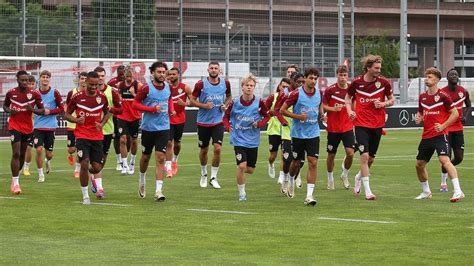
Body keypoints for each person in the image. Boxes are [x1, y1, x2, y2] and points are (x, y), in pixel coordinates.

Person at [344, 54, 395, 200]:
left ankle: (359, 177)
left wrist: (383, 104)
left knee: (371, 159)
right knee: (364, 156)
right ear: (368, 68)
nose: (379, 70)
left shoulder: (384, 83)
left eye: (380, 67)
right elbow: (347, 99)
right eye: (376, 68)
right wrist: (349, 111)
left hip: (377, 125)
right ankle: (368, 192)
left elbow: (392, 100)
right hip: (360, 124)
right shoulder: (357, 83)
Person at [414, 67, 464, 202]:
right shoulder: (422, 97)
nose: (426, 79)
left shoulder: (443, 96)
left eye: (429, 77)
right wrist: (419, 118)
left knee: (444, 160)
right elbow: (421, 112)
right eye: (426, 77)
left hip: (440, 135)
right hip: (426, 136)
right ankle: (426, 191)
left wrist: (443, 126)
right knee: (419, 164)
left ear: (437, 80)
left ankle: (458, 191)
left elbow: (455, 113)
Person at [65, 71, 111, 204]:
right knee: (84, 163)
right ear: (85, 83)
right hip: (82, 135)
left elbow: (107, 113)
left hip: (97, 136)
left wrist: (102, 124)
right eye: (91, 84)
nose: (93, 87)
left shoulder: (102, 97)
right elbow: (66, 114)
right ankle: (85, 195)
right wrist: (76, 120)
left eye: (96, 85)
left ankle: (92, 177)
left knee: (97, 168)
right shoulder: (77, 97)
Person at [280, 67, 323, 206]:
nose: (313, 81)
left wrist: (322, 114)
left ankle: (309, 195)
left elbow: (319, 107)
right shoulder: (296, 94)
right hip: (298, 134)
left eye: (316, 78)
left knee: (313, 162)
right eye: (311, 78)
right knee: (296, 162)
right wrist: (298, 116)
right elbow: (282, 110)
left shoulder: (319, 93)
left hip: (314, 133)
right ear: (304, 78)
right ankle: (291, 180)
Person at [223, 74, 270, 201]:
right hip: (238, 139)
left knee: (250, 169)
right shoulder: (235, 102)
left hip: (253, 140)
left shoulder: (259, 102)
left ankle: (241, 169)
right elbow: (225, 117)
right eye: (247, 85)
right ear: (242, 87)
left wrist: (259, 124)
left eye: (251, 86)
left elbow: (267, 116)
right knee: (242, 166)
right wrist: (227, 127)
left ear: (254, 88)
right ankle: (242, 194)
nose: (249, 87)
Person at [133, 61, 175, 200]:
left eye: (164, 72)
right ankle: (142, 179)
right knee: (145, 157)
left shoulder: (168, 87)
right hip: (148, 128)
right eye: (159, 72)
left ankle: (158, 191)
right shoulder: (146, 88)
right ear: (152, 73)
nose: (162, 74)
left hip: (164, 127)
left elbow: (169, 99)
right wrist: (151, 109)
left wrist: (171, 109)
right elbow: (135, 104)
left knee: (161, 158)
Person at [4, 70, 46, 194]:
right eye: (22, 80)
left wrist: (32, 109)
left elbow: (42, 110)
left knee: (22, 154)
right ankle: (16, 182)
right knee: (16, 153)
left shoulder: (34, 94)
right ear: (17, 80)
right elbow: (5, 106)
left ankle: (15, 177)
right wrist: (9, 111)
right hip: (14, 126)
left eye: (26, 80)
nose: (24, 82)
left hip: (27, 127)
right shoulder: (11, 93)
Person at [190, 62, 232, 189]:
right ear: (208, 69)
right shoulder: (201, 84)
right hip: (203, 122)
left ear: (220, 71)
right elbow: (192, 100)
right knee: (204, 150)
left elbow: (229, 96)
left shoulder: (226, 83)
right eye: (211, 68)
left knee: (218, 148)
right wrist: (204, 106)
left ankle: (213, 177)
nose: (213, 70)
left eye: (216, 68)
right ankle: (203, 173)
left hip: (218, 121)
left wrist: (225, 105)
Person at [90, 66, 122, 197]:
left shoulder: (112, 91)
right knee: (93, 159)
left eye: (103, 75)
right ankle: (100, 188)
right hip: (91, 130)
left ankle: (93, 176)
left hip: (107, 130)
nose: (101, 78)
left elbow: (120, 109)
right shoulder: (88, 91)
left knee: (101, 161)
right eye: (98, 75)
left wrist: (111, 110)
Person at [321, 65, 354, 190]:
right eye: (340, 75)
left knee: (350, 153)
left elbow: (354, 103)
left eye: (345, 75)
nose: (343, 78)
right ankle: (330, 178)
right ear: (337, 75)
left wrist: (354, 113)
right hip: (333, 128)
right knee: (331, 155)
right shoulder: (330, 90)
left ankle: (344, 174)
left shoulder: (351, 89)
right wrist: (332, 109)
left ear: (347, 76)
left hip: (347, 127)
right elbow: (323, 106)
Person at [439, 68, 471, 192]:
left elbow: (468, 105)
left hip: (458, 129)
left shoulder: (463, 91)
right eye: (452, 74)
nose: (454, 76)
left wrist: (465, 116)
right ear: (447, 78)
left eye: (456, 74)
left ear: (458, 78)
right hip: (446, 128)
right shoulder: (442, 93)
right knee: (446, 157)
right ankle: (443, 183)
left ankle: (447, 169)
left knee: (459, 158)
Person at [32, 70, 64, 182]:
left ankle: (47, 161)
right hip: (38, 126)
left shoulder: (55, 92)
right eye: (43, 77)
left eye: (47, 77)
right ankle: (40, 174)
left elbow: (61, 108)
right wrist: (37, 111)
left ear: (50, 79)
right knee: (39, 149)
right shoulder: (35, 93)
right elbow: (31, 107)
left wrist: (49, 112)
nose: (45, 79)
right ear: (40, 78)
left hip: (50, 127)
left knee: (49, 154)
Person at [165, 67, 193, 177]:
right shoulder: (166, 88)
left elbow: (194, 102)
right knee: (168, 143)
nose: (171, 76)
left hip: (180, 120)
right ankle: (168, 167)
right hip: (167, 119)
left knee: (177, 143)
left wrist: (184, 104)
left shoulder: (185, 88)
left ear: (178, 75)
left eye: (174, 74)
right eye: (170, 74)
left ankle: (174, 161)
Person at [116, 66, 142, 175]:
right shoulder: (120, 85)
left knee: (134, 140)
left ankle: (132, 162)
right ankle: (124, 165)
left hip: (134, 116)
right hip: (122, 116)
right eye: (127, 76)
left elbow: (142, 101)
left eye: (131, 76)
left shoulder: (138, 85)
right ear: (124, 75)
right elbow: (118, 98)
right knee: (122, 140)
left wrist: (133, 94)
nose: (129, 78)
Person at [265, 78, 291, 181]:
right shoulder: (273, 97)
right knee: (273, 154)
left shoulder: (291, 97)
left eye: (286, 87)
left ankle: (282, 175)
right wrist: (270, 113)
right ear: (279, 86)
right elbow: (264, 109)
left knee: (284, 153)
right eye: (283, 86)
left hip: (285, 128)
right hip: (274, 129)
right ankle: (270, 164)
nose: (284, 89)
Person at [65, 72, 88, 178]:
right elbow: (67, 106)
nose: (83, 80)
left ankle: (77, 169)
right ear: (79, 80)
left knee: (80, 148)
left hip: (83, 126)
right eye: (82, 78)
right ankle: (69, 154)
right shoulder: (72, 93)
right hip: (72, 124)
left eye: (85, 78)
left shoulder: (90, 93)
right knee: (72, 149)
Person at [107, 65, 128, 171]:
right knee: (117, 138)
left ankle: (126, 160)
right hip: (116, 114)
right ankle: (119, 160)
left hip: (129, 114)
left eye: (123, 71)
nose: (121, 73)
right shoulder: (111, 82)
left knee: (128, 139)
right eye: (119, 71)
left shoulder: (131, 83)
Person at [21, 75, 37, 176]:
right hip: (22, 125)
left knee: (29, 147)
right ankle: (20, 165)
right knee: (21, 148)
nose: (31, 85)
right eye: (29, 83)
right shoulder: (22, 94)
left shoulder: (36, 95)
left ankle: (26, 167)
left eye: (32, 84)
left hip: (34, 126)